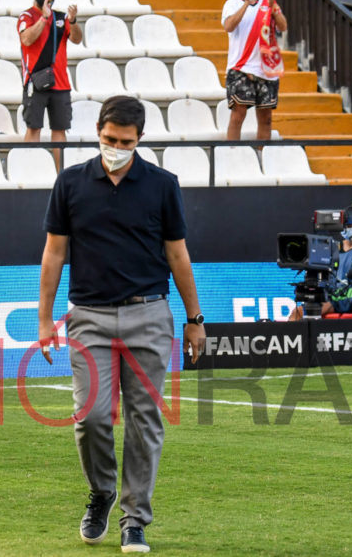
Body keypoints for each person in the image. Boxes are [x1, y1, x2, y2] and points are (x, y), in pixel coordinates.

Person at [37, 96, 205, 553]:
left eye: (125, 141)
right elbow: (54, 252)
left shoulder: (162, 185)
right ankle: (102, 492)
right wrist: (44, 318)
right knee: (91, 417)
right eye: (109, 139)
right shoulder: (70, 183)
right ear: (97, 130)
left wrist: (195, 320)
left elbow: (178, 255)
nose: (116, 147)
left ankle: (135, 518)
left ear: (140, 139)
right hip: (87, 317)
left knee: (145, 420)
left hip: (149, 313)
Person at [18, 0, 82, 168]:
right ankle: (30, 171)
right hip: (35, 82)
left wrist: (74, 21)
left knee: (59, 131)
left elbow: (77, 39)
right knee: (34, 128)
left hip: (60, 83)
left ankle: (59, 175)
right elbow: (27, 39)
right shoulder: (27, 16)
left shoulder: (62, 17)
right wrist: (44, 18)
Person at [221, 0, 287, 141]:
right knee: (238, 115)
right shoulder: (232, 3)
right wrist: (247, 4)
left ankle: (261, 158)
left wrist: (273, 6)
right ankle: (231, 155)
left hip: (266, 68)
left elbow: (283, 26)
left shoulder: (268, 3)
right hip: (240, 66)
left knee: (266, 119)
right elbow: (229, 26)